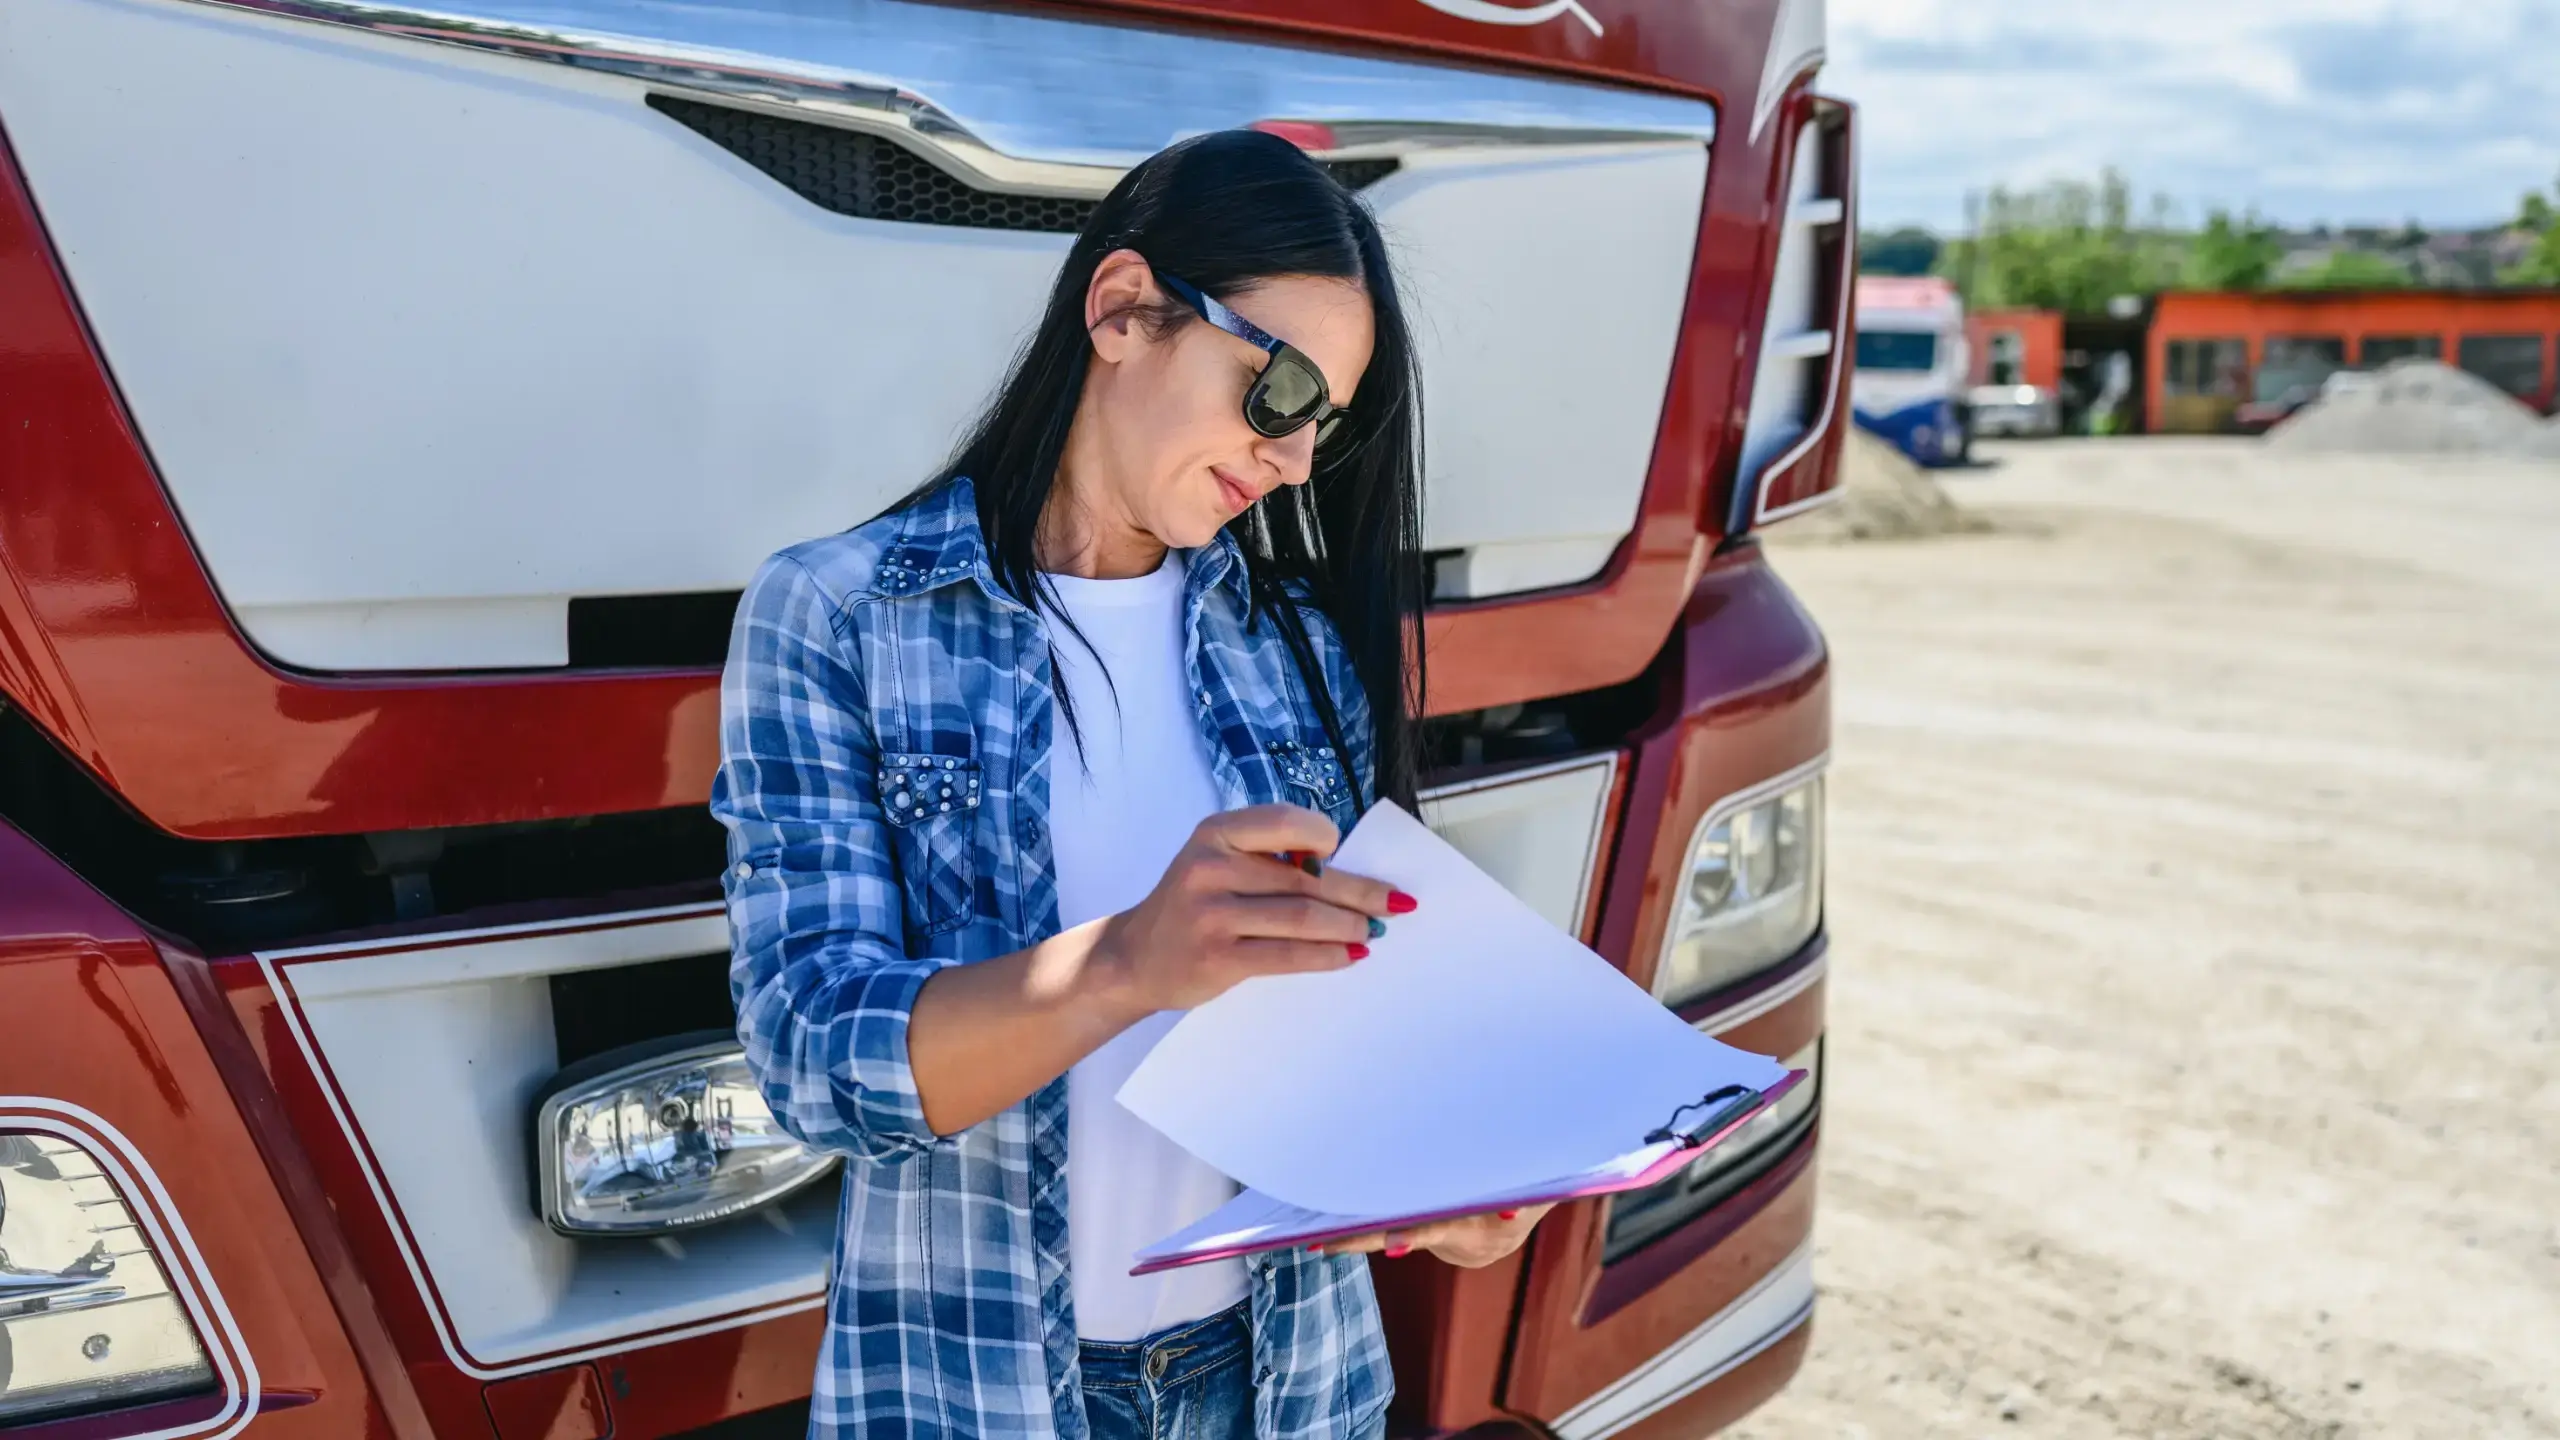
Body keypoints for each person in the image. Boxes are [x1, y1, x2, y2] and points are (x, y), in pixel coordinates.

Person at [712, 130, 1548, 1440]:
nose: (1290, 462)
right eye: (1276, 397)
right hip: (973, 1398)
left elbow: (1352, 1027)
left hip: (1284, 1387)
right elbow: (813, 1059)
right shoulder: (836, 613)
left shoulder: (1296, 646)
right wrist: (1127, 963)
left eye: (1322, 431)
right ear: (1121, 309)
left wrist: (1441, 1176)